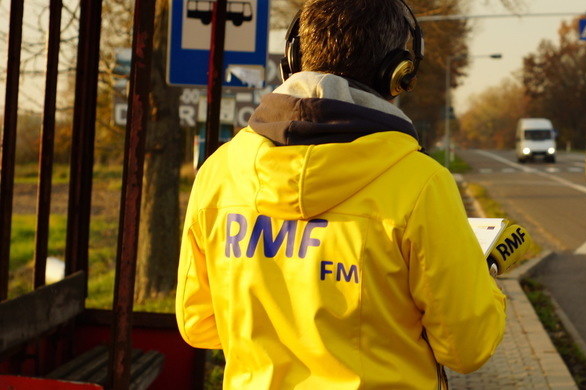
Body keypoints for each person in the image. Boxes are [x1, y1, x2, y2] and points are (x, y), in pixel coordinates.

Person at [175, 0, 507, 388]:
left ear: (292, 58)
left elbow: (198, 324)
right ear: (397, 74)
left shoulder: (220, 172)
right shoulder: (422, 185)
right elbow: (467, 349)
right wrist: (481, 283)